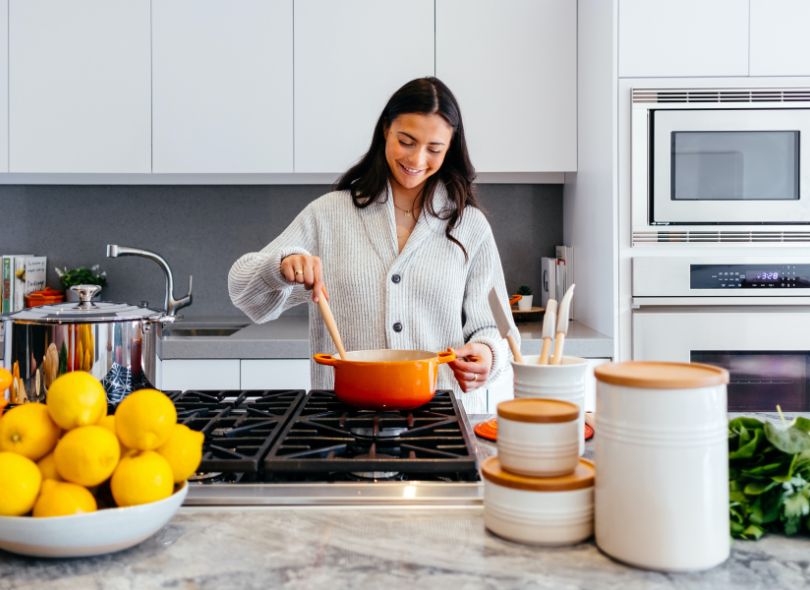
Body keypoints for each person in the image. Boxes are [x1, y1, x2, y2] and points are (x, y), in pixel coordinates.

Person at [228, 76, 518, 413]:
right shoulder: (330, 214)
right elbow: (243, 291)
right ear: (385, 130)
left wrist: (486, 353)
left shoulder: (469, 226)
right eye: (406, 141)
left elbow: (495, 327)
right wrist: (280, 266)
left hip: (438, 424)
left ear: (450, 148)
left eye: (434, 149)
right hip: (341, 422)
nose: (417, 159)